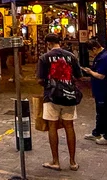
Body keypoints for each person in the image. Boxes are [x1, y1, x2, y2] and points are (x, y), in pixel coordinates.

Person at [37, 33, 83, 171]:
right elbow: (79, 76)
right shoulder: (71, 56)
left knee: (52, 126)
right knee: (69, 126)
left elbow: (40, 79)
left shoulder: (44, 58)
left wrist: (49, 84)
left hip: (51, 96)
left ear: (48, 44)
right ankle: (73, 162)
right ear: (60, 42)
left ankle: (55, 161)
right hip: (69, 96)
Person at [82, 37, 107, 145]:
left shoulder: (105, 58)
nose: (90, 54)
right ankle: (97, 131)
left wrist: (90, 72)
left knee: (106, 112)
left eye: (90, 52)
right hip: (101, 90)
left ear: (94, 48)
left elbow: (101, 75)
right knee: (100, 112)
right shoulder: (102, 56)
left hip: (106, 89)